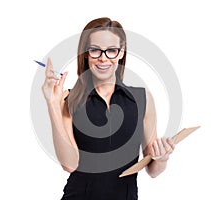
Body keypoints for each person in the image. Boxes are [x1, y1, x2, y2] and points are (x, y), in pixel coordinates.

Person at [42, 17, 175, 200]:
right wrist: (52, 104)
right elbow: (69, 164)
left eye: (111, 50)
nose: (103, 58)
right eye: (95, 50)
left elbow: (152, 170)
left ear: (121, 53)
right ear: (86, 53)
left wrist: (162, 158)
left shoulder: (142, 99)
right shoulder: (70, 98)